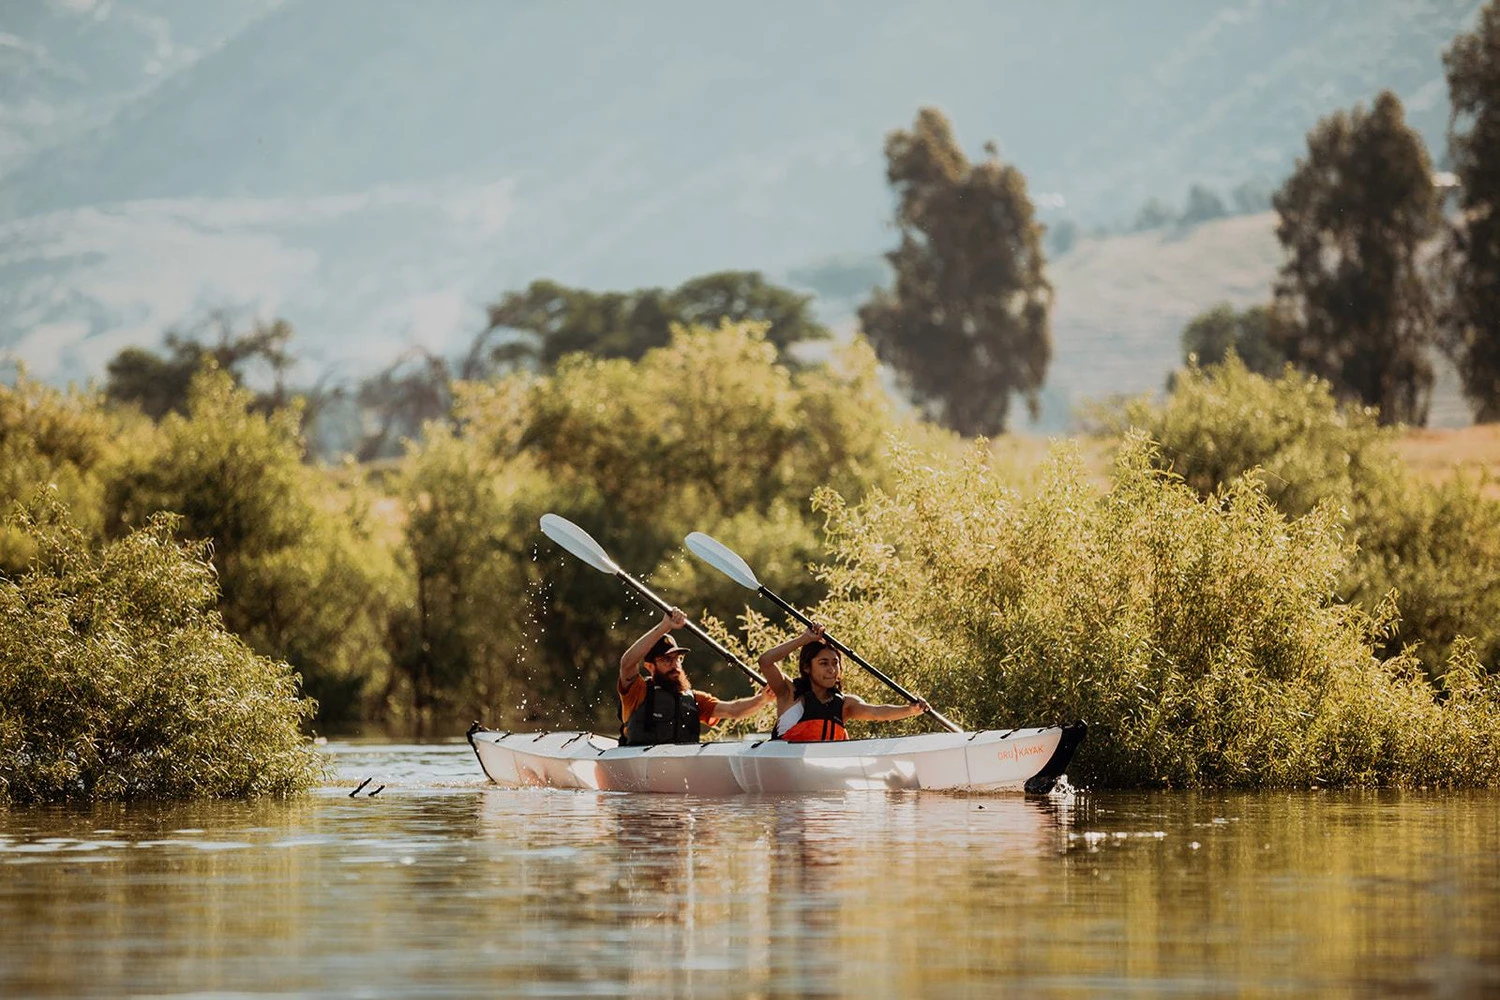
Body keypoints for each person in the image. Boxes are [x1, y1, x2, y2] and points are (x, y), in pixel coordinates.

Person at [618, 608, 772, 745]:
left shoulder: (694, 699)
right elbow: (627, 663)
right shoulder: (637, 691)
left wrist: (762, 699)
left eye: (678, 658)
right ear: (650, 666)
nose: (675, 665)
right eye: (667, 660)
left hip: (681, 765)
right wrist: (665, 626)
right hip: (642, 762)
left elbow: (733, 710)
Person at [758, 623, 928, 741]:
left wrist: (911, 710)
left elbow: (877, 712)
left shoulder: (845, 704)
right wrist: (804, 639)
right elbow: (765, 661)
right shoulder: (788, 691)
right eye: (824, 663)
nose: (832, 670)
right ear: (807, 667)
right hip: (785, 767)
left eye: (835, 663)